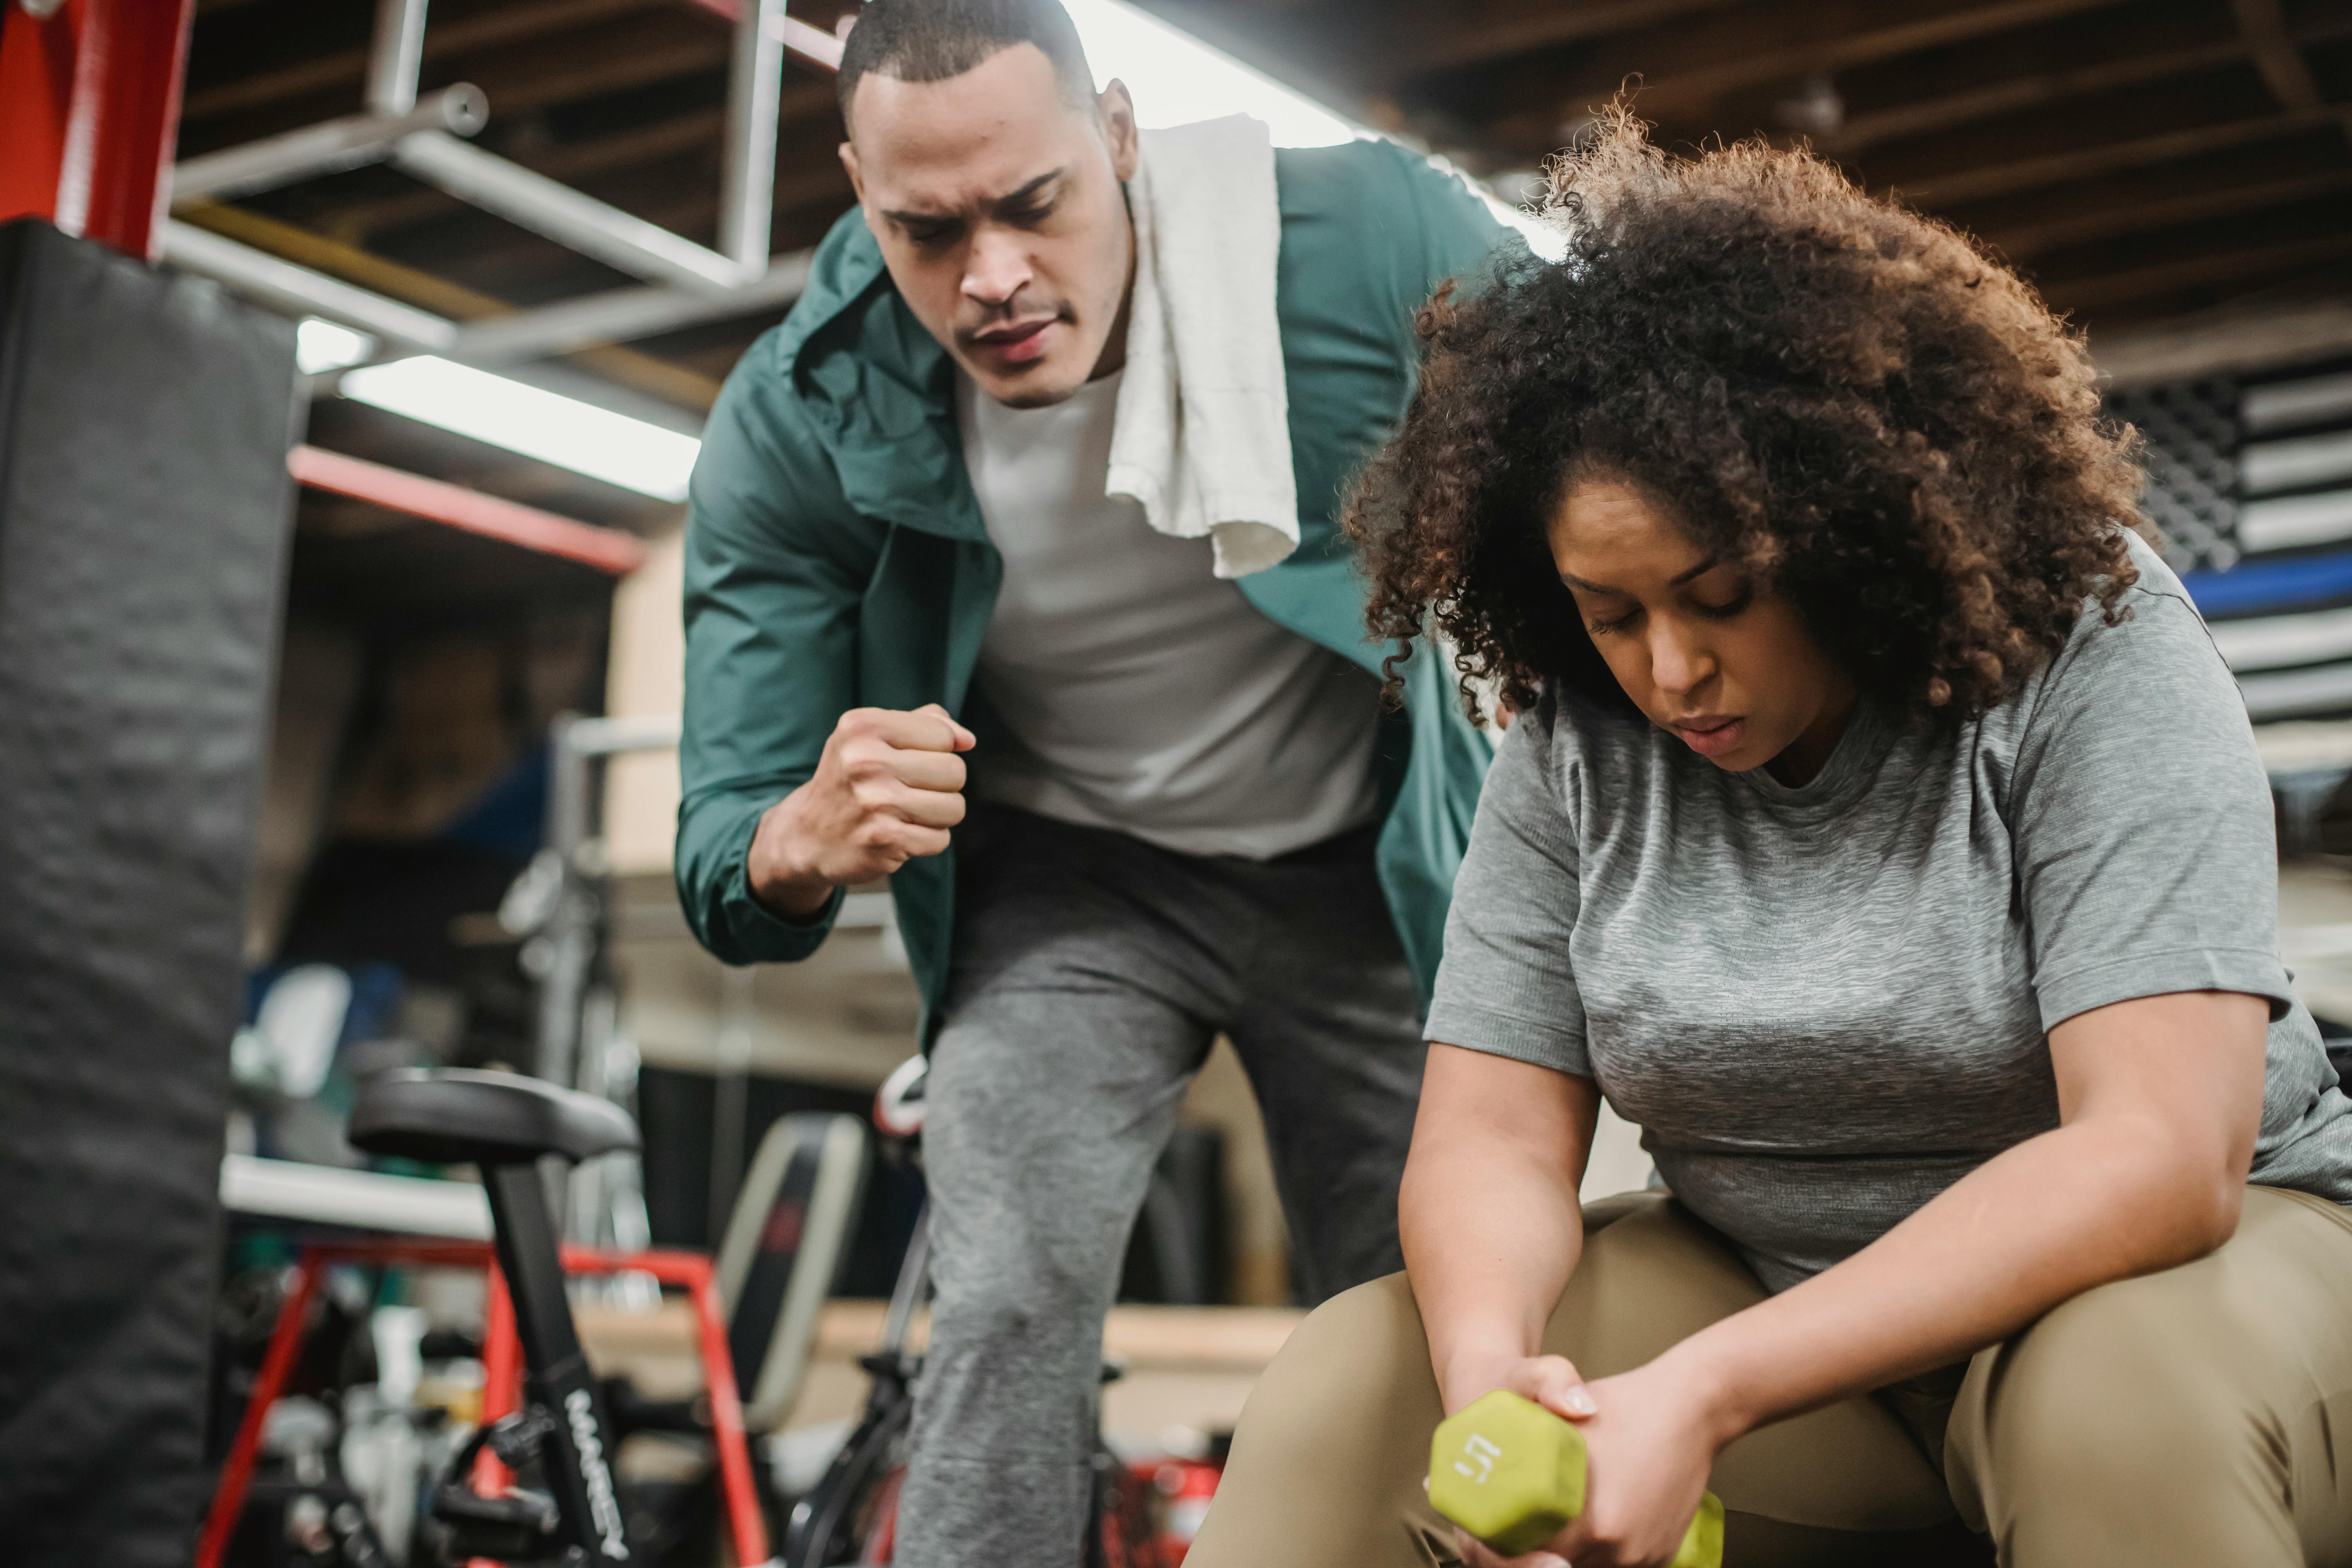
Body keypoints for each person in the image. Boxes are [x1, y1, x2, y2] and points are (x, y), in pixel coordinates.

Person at [1185, 113, 2352, 1568]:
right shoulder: (1576, 737)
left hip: (2194, 1289)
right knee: (1355, 1389)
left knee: (2114, 1408)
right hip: (1777, 1299)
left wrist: (1706, 1392)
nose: (1668, 671)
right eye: (1612, 615)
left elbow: (2161, 1155)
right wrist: (1496, 1391)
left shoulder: (2094, 644)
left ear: (1849, 530)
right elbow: (1490, 1137)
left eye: (1720, 594)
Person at [673, 2, 1513, 1561]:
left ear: (1118, 137)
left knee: (1433, 1304)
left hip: (1360, 854)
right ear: (861, 195)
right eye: (929, 231)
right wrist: (802, 833)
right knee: (1003, 1291)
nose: (991, 276)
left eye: (1035, 204)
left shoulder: (1362, 243)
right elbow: (728, 845)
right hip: (1072, 878)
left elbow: (1651, 413)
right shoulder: (801, 416)